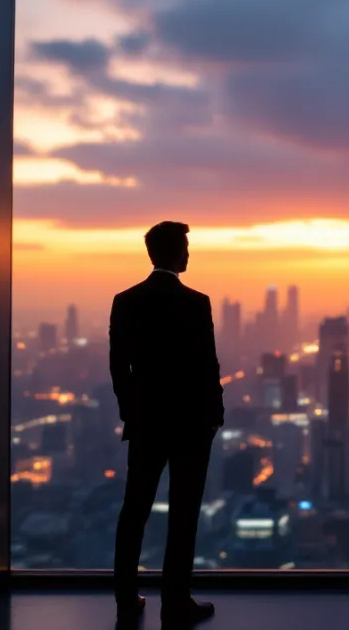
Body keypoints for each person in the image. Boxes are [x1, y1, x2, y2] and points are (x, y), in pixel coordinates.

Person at [110, 221, 225, 626]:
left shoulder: (125, 301)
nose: (189, 254)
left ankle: (126, 598)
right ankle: (176, 602)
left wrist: (133, 414)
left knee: (134, 510)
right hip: (190, 426)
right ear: (177, 252)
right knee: (183, 514)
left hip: (146, 425)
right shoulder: (196, 303)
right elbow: (207, 367)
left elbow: (118, 368)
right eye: (187, 247)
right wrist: (214, 418)